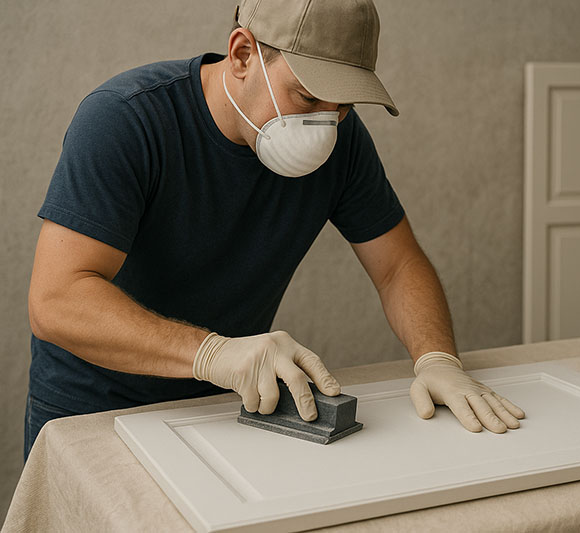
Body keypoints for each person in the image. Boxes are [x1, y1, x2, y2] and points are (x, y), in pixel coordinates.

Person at [25, 0, 525, 461]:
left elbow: (397, 265)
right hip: (94, 413)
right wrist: (213, 352)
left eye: (344, 105)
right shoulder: (125, 121)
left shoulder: (341, 143)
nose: (325, 124)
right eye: (308, 96)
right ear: (242, 54)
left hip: (226, 409)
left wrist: (436, 358)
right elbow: (56, 300)